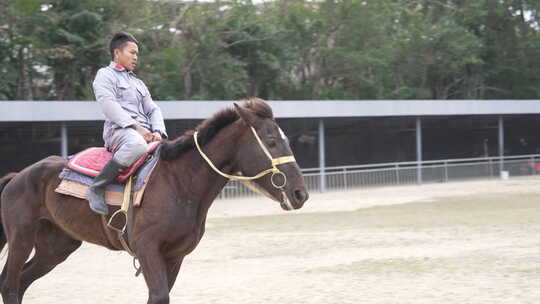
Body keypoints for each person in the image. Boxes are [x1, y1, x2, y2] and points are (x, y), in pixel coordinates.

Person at [87, 32, 167, 215]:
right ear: (117, 53)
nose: (135, 57)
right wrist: (138, 129)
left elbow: (153, 109)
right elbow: (109, 106)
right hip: (119, 132)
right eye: (132, 52)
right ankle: (97, 187)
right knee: (137, 145)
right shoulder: (105, 75)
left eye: (137, 54)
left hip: (146, 132)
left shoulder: (138, 82)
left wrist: (158, 132)